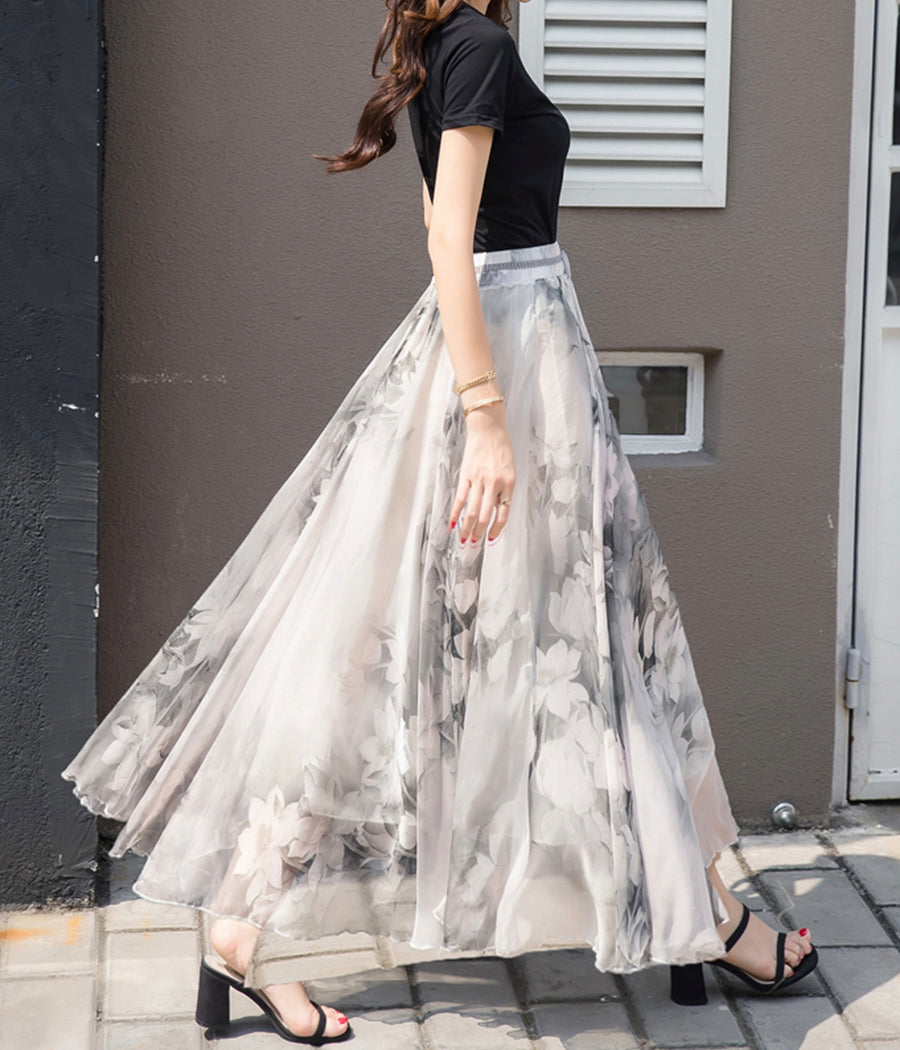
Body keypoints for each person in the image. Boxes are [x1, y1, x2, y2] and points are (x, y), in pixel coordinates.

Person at [62, 0, 819, 1044]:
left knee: (499, 641)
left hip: (514, 348)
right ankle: (707, 920)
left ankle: (698, 908)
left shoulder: (447, 43)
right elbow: (448, 238)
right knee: (567, 645)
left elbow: (447, 230)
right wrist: (489, 418)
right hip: (509, 359)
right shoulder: (478, 44)